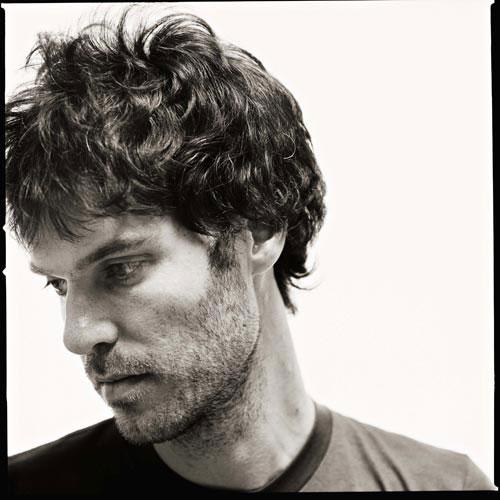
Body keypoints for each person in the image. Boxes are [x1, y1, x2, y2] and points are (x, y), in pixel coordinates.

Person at [6, 8, 495, 493]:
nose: (77, 335)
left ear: (257, 232)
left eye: (122, 268)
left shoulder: (446, 486)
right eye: (59, 284)